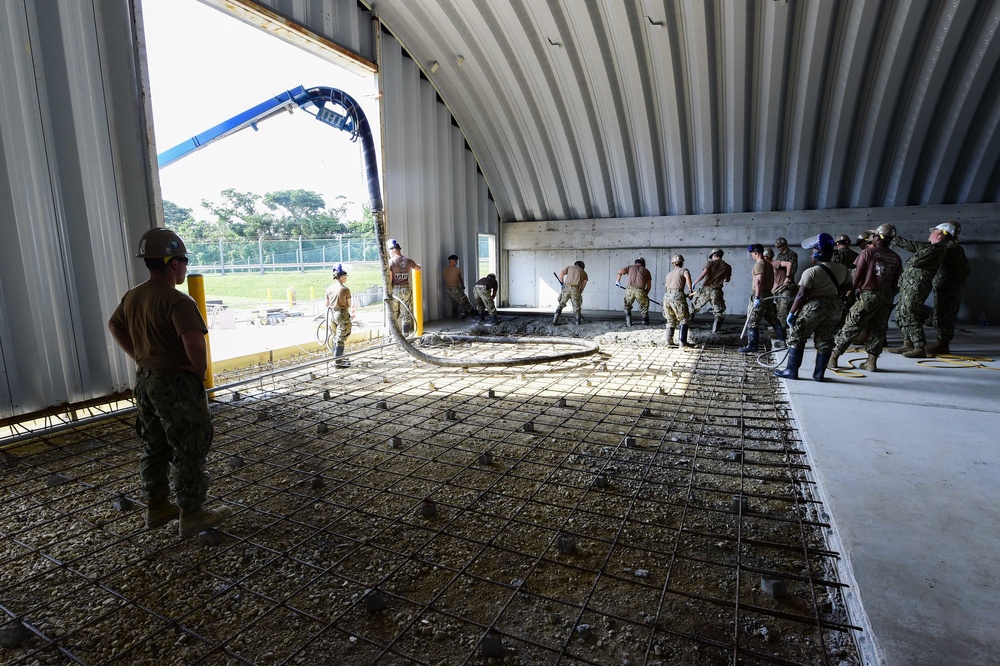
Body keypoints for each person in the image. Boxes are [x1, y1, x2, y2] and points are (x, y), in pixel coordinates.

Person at [107, 228, 231, 538]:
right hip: (175, 381)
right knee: (190, 443)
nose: (185, 266)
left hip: (146, 380)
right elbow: (192, 339)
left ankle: (157, 506)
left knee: (155, 443)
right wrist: (198, 370)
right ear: (174, 262)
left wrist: (138, 355)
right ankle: (192, 513)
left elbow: (114, 324)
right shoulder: (177, 300)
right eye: (184, 260)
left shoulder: (134, 295)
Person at [774, 233, 851, 381]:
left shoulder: (811, 271)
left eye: (813, 251)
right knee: (825, 340)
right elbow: (848, 286)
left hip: (814, 307)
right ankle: (819, 374)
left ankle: (791, 371)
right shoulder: (842, 269)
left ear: (818, 253)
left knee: (797, 336)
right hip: (834, 307)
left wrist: (791, 313)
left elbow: (802, 295)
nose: (811, 254)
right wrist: (831, 292)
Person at [827, 224, 902, 371]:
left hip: (868, 295)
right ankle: (871, 362)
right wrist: (888, 295)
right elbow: (897, 282)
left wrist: (849, 293)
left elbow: (857, 276)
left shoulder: (867, 253)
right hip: (886, 296)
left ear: (877, 237)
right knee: (878, 329)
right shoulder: (896, 257)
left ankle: (833, 358)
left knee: (851, 326)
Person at [888, 224, 951, 358]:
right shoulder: (931, 248)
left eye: (933, 231)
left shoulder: (936, 248)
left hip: (916, 287)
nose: (930, 234)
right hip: (909, 285)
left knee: (911, 313)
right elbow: (913, 246)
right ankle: (907, 343)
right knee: (900, 314)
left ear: (940, 234)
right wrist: (894, 238)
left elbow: (914, 261)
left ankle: (919, 346)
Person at [927, 221, 970, 355]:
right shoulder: (953, 247)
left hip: (948, 289)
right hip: (947, 288)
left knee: (944, 316)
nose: (932, 234)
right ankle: (942, 343)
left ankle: (942, 345)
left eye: (935, 232)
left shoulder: (950, 248)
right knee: (942, 315)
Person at [739, 244, 786, 353]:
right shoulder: (768, 264)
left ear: (756, 253)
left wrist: (756, 297)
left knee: (752, 321)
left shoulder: (759, 265)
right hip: (768, 295)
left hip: (761, 296)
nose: (751, 255)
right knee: (773, 319)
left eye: (751, 253)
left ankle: (752, 346)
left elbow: (759, 282)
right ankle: (783, 340)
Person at [690, 248, 732, 333]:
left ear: (715, 255)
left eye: (712, 256)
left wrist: (694, 283)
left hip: (706, 290)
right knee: (718, 311)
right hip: (717, 291)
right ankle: (714, 331)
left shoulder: (710, 263)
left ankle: (686, 327)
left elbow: (702, 275)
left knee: (693, 308)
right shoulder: (728, 266)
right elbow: (727, 280)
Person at [386, 239, 421, 335]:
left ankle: (395, 335)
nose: (388, 253)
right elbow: (418, 267)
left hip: (395, 290)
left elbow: (390, 279)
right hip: (406, 289)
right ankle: (405, 335)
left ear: (393, 250)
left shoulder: (390, 262)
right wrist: (416, 265)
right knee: (406, 313)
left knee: (393, 313)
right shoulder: (408, 261)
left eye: (389, 250)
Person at [325, 263, 355, 367]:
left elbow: (327, 304)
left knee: (335, 337)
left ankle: (339, 357)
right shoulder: (345, 289)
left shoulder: (329, 288)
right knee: (340, 338)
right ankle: (338, 362)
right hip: (342, 314)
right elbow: (349, 304)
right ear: (342, 276)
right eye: (345, 276)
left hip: (332, 315)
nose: (346, 278)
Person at [662, 254, 694, 347]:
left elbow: (666, 287)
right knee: (684, 319)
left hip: (667, 296)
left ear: (673, 264)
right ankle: (683, 342)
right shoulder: (684, 270)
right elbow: (687, 277)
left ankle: (669, 342)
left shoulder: (669, 274)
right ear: (682, 263)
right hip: (677, 295)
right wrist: (690, 290)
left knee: (670, 319)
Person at [616, 257, 652, 326]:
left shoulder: (630, 267)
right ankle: (645, 323)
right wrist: (644, 294)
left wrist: (617, 281)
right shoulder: (646, 271)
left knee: (627, 306)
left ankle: (629, 323)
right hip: (641, 290)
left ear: (636, 262)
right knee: (644, 307)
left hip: (629, 290)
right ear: (643, 263)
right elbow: (649, 286)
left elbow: (620, 271)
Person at [772, 237, 799, 329]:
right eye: (778, 247)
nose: (779, 248)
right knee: (779, 308)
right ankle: (782, 330)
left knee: (785, 308)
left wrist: (788, 277)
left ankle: (787, 330)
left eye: (780, 246)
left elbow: (793, 268)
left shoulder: (792, 255)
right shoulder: (779, 256)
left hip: (787, 284)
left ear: (785, 245)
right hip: (779, 285)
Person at [553, 260, 588, 325]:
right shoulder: (584, 273)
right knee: (577, 308)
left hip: (566, 287)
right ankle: (578, 323)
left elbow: (561, 273)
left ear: (575, 264)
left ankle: (555, 321)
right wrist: (580, 291)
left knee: (561, 305)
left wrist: (562, 284)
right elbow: (584, 283)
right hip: (576, 289)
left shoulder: (569, 267)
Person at [442, 254, 475, 319]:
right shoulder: (457, 270)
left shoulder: (445, 270)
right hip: (455, 288)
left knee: (454, 304)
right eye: (456, 261)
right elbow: (460, 279)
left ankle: (454, 316)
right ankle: (462, 315)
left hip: (448, 289)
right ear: (454, 261)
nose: (456, 262)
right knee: (466, 302)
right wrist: (462, 285)